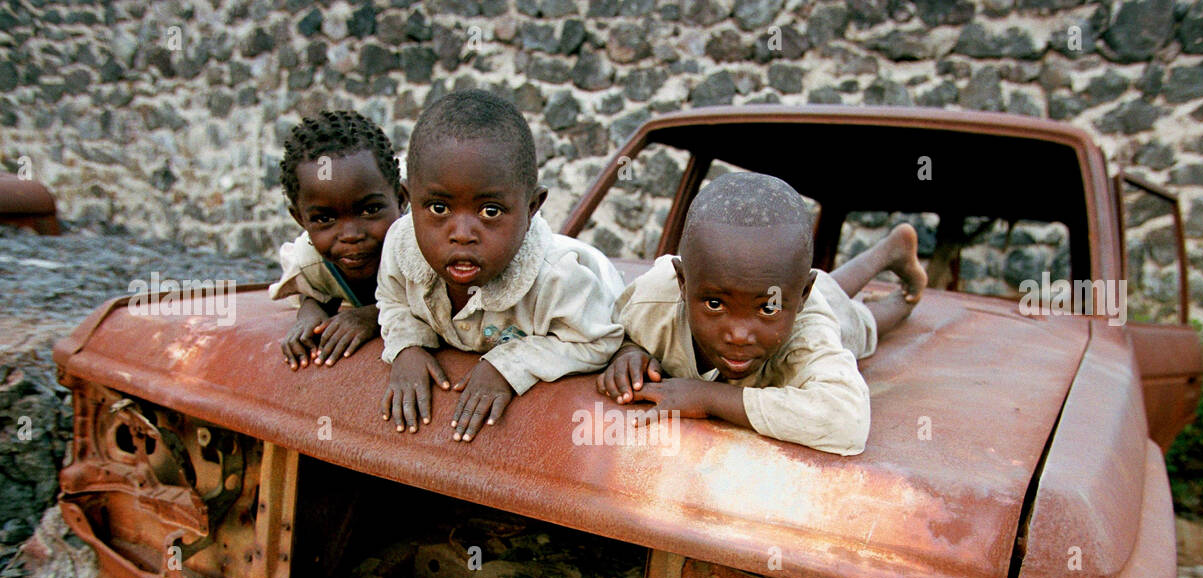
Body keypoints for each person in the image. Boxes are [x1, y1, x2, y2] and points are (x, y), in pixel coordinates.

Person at [597, 172, 925, 456]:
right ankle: (889, 251)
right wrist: (629, 349)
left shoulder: (809, 329)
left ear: (802, 298)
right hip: (784, 288)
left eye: (766, 309)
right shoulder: (653, 299)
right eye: (715, 304)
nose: (739, 334)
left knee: (857, 324)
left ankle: (905, 298)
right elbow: (615, 325)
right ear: (682, 282)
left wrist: (708, 397)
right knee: (816, 290)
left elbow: (847, 423)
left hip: (811, 302)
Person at [377, 89, 624, 443]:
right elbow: (392, 299)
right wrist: (406, 346)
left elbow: (598, 340)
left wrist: (510, 364)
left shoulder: (559, 278)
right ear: (408, 200)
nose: (461, 234)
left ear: (532, 207)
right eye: (437, 208)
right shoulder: (402, 246)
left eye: (490, 211)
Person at [271, 110, 407, 370]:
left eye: (369, 210)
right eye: (324, 219)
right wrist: (310, 312)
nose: (351, 235)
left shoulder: (423, 248)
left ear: (401, 199)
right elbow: (311, 289)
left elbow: (447, 306)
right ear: (300, 220)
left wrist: (372, 317)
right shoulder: (309, 258)